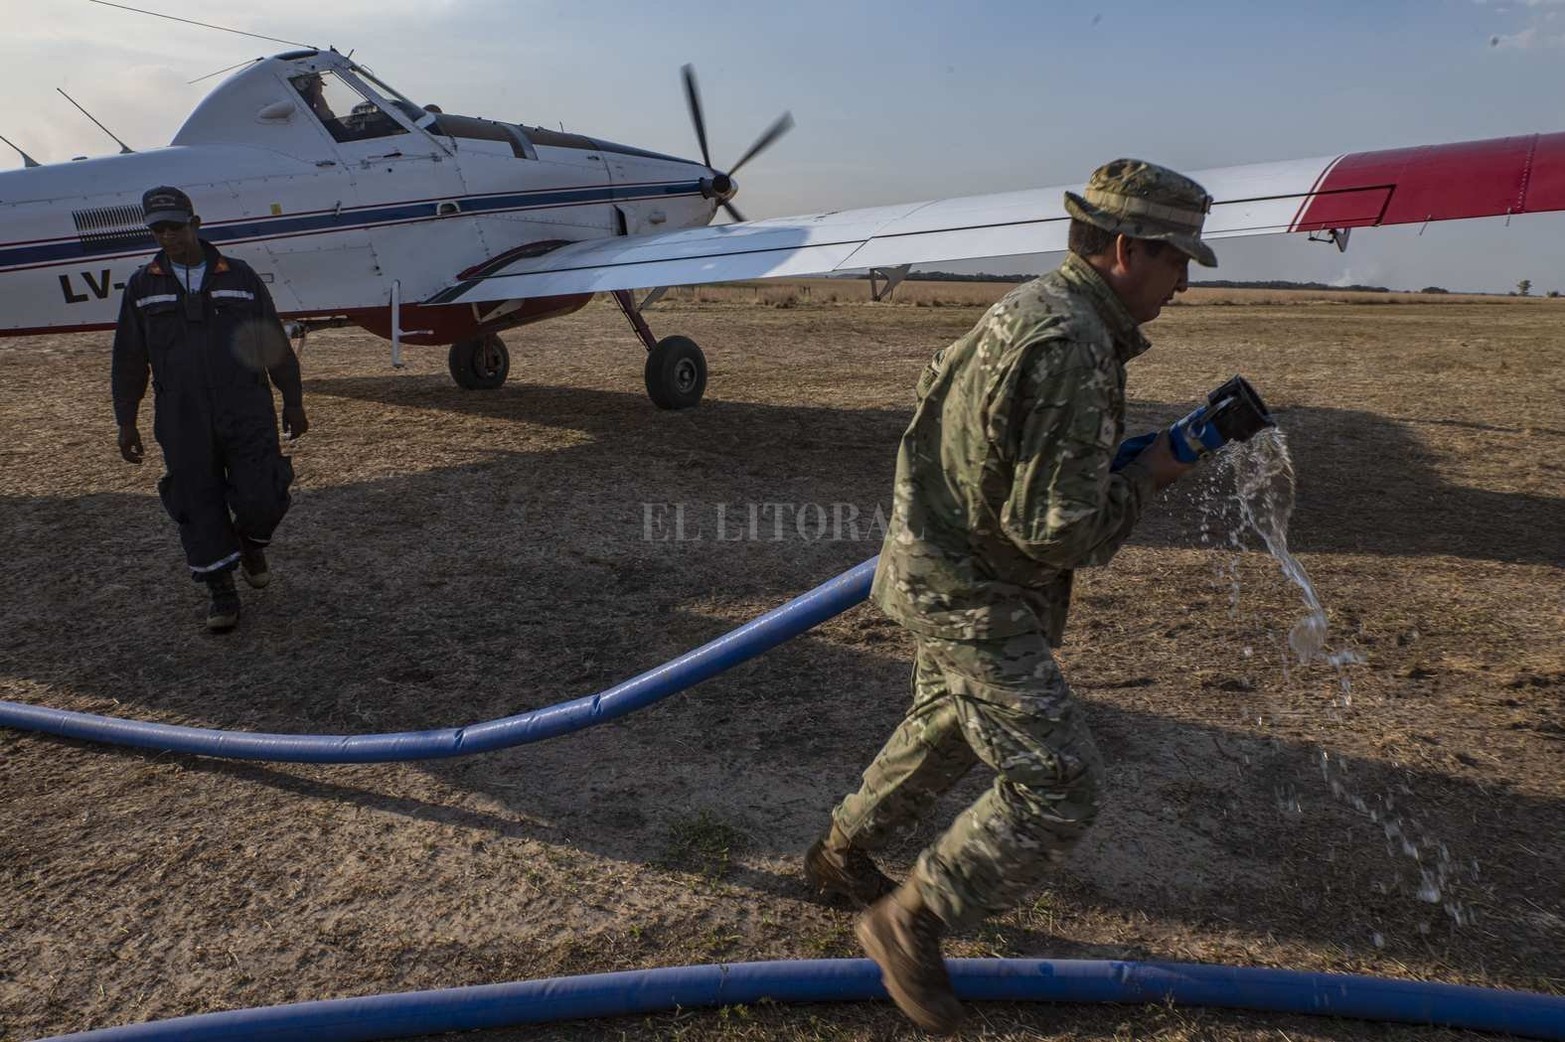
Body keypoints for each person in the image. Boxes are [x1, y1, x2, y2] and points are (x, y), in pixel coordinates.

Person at [804, 159, 1268, 1033]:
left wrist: (1115, 459)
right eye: (1177, 262)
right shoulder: (1073, 344)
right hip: (971, 590)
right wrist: (1158, 473)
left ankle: (839, 855)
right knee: (1057, 784)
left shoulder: (1028, 308)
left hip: (936, 564)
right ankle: (909, 922)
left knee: (942, 732)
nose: (1182, 284)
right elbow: (1056, 532)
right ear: (1127, 249)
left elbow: (993, 450)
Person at [112, 186, 307, 633]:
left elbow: (271, 341)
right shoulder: (143, 286)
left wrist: (293, 400)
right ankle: (221, 590)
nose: (168, 237)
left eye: (175, 227)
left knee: (263, 493)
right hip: (181, 414)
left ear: (195, 223)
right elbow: (128, 357)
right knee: (197, 500)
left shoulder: (238, 276)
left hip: (246, 405)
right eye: (158, 230)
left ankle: (251, 542)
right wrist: (126, 420)